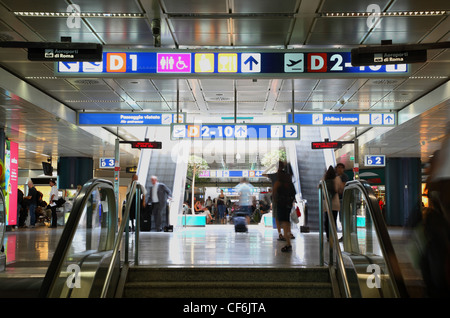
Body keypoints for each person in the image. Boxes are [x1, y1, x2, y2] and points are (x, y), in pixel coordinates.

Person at [273, 161, 296, 252]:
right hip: (288, 205)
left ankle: (288, 244)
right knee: (287, 223)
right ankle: (288, 241)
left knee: (284, 223)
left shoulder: (278, 183)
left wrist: (276, 201)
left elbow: (274, 195)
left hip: (281, 205)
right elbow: (293, 193)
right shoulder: (289, 182)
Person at [322, 166, 344, 242]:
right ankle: (333, 235)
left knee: (327, 219)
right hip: (335, 202)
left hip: (326, 202)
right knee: (333, 219)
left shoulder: (324, 179)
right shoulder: (337, 179)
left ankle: (328, 236)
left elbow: (319, 187)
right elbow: (341, 189)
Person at [335, 163, 348, 241]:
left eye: (341, 168)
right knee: (339, 218)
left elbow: (342, 188)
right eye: (338, 167)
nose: (339, 169)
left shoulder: (344, 177)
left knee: (342, 218)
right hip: (336, 199)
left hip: (342, 199)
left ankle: (345, 235)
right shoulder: (335, 176)